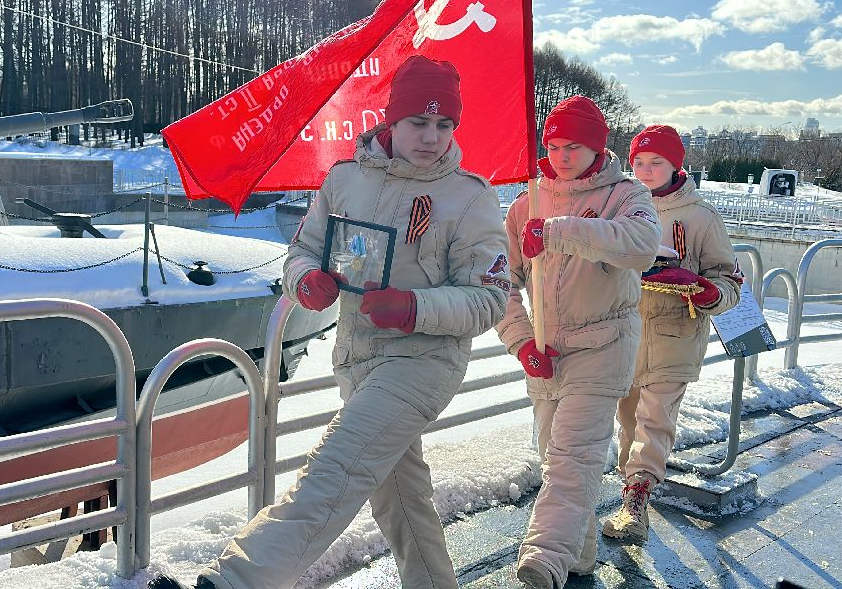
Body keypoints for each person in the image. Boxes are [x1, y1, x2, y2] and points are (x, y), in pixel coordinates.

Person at [150, 55, 510, 589]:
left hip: (423, 362)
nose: (432, 137)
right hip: (357, 359)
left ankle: (230, 582)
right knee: (401, 500)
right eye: (419, 122)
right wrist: (305, 281)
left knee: (334, 471)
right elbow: (303, 251)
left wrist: (414, 306)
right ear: (390, 119)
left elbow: (489, 300)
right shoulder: (344, 179)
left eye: (444, 125)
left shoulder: (470, 196)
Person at [498, 96, 661, 588]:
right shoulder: (526, 201)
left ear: (597, 148)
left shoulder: (627, 194)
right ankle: (582, 553)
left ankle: (545, 558)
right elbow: (501, 284)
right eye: (553, 145)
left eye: (574, 146)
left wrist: (559, 232)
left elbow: (642, 245)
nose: (562, 155)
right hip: (547, 355)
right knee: (556, 454)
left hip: (605, 345)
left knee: (575, 457)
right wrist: (521, 342)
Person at [602, 125, 741, 542]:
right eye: (638, 162)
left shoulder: (701, 217)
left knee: (655, 418)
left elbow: (728, 281)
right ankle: (633, 489)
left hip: (676, 334)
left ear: (675, 164)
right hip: (625, 329)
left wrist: (706, 289)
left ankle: (636, 502)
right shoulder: (620, 207)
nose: (644, 171)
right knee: (627, 421)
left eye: (655, 163)